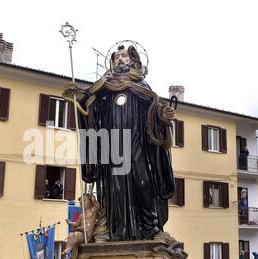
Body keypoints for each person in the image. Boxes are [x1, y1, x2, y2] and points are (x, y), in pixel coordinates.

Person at [64, 43, 175, 241]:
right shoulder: (103, 89)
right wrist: (80, 100)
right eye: (116, 58)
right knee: (113, 190)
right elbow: (90, 111)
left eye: (124, 56)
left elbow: (155, 109)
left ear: (133, 60)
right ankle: (114, 231)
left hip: (137, 146)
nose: (120, 60)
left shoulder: (142, 86)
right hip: (112, 147)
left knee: (143, 184)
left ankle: (152, 229)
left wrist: (163, 114)